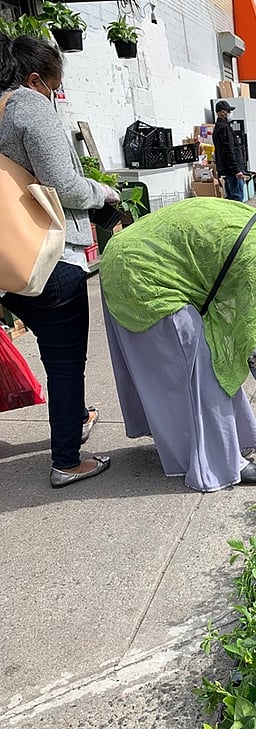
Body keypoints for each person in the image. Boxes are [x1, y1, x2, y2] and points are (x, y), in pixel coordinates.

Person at [99, 192, 256, 493]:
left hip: (126, 257)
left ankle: (208, 440)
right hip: (142, 277)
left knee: (179, 369)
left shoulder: (252, 220)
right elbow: (250, 339)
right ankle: (223, 465)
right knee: (207, 369)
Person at [0, 35, 118, 488]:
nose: (55, 96)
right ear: (34, 79)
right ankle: (67, 461)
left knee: (57, 352)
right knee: (66, 361)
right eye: (54, 87)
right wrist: (103, 193)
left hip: (9, 265)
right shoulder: (29, 106)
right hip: (50, 259)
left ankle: (76, 415)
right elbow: (64, 185)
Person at [213, 99, 245, 202]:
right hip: (232, 171)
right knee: (237, 198)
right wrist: (236, 170)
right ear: (222, 112)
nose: (230, 114)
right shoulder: (224, 128)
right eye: (228, 111)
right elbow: (228, 150)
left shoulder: (218, 127)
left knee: (231, 198)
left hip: (228, 170)